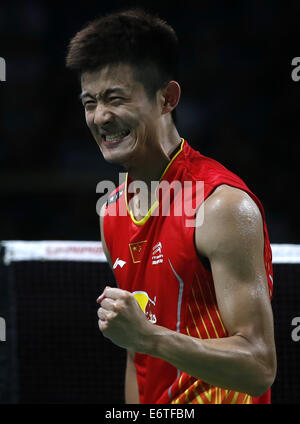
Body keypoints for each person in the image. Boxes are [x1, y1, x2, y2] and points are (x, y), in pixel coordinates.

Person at [66, 8, 276, 404]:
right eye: (89, 102)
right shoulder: (111, 211)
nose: (100, 117)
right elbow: (138, 357)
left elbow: (260, 367)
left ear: (167, 98)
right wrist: (142, 340)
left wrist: (149, 336)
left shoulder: (221, 206)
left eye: (115, 98)